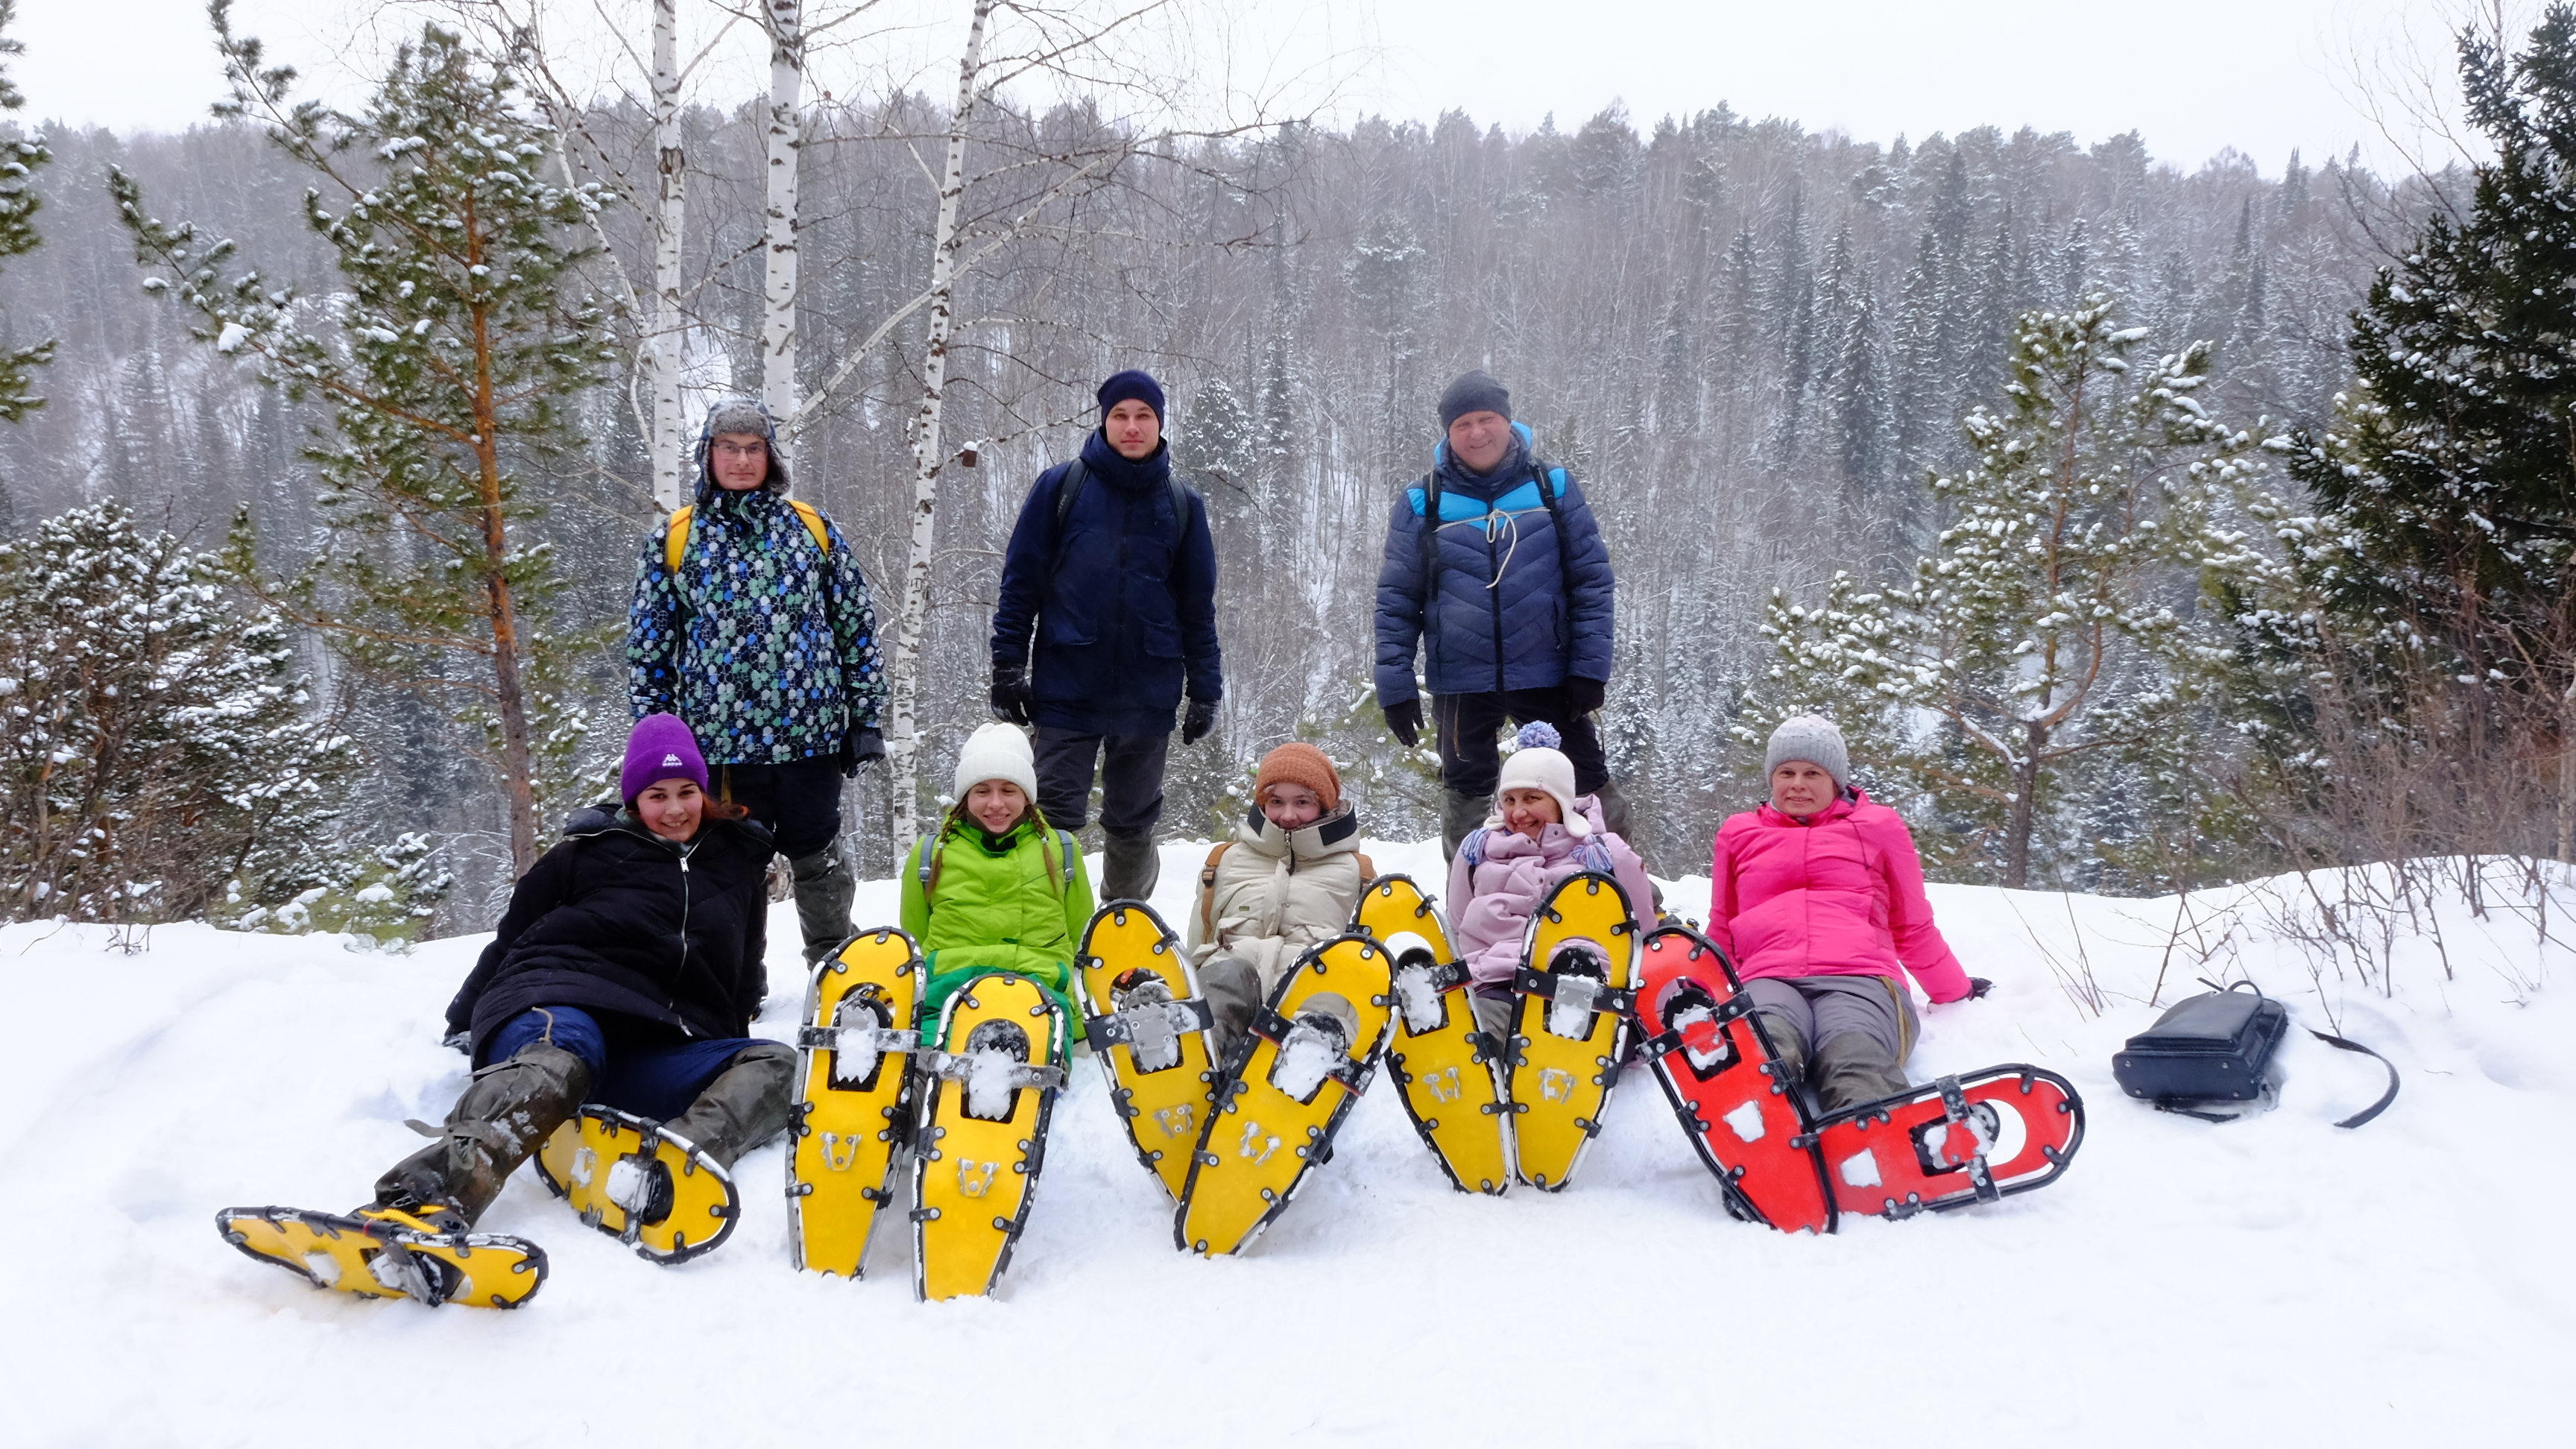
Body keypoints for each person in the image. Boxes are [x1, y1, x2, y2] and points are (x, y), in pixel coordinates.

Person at [373, 714, 794, 1239]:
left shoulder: (736, 863)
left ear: (703, 791)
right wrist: (463, 1018)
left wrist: (733, 1043)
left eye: (686, 791)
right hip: (563, 997)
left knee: (779, 1065)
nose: (674, 808)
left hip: (658, 1042)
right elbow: (510, 939)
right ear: (634, 801)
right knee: (562, 1054)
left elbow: (744, 963)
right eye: (657, 795)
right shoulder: (585, 853)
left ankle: (663, 1174)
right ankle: (427, 1201)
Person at [628, 397, 886, 963]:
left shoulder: (811, 530)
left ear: (770, 456)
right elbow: (649, 648)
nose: (742, 460)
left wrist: (865, 717)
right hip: (720, 746)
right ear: (708, 455)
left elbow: (856, 627)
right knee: (730, 863)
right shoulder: (675, 539)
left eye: (754, 448)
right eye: (729, 448)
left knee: (818, 857)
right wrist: (655, 740)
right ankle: (733, 978)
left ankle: (834, 968)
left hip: (811, 738)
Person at [1374, 370, 1628, 862]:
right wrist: (1395, 684)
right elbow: (1397, 598)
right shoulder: (1422, 500)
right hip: (1460, 680)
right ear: (1447, 433)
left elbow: (1591, 582)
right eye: (1462, 423)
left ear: (1508, 422)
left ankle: (1622, 886)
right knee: (1467, 797)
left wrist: (1588, 669)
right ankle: (1473, 895)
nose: (1476, 433)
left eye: (1486, 419)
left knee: (1587, 783)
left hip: (1549, 671)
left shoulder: (1551, 487)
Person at [989, 369, 1222, 901]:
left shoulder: (1183, 505)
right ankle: (1048, 927)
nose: (1132, 426)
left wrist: (1205, 688)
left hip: (1149, 691)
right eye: (1121, 415)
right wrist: (1007, 666)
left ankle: (1126, 926)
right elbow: (1020, 585)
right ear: (1104, 419)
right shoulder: (1060, 489)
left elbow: (1196, 607)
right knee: (1051, 820)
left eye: (1144, 416)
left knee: (1132, 823)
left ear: (1160, 423)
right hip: (1067, 687)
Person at [1708, 716, 1990, 1117]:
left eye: (1812, 772)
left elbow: (1911, 925)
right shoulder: (1739, 833)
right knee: (1762, 1048)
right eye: (1786, 772)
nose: (1797, 783)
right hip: (1769, 976)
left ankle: (1875, 1152)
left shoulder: (1878, 827)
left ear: (1837, 780)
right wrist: (1698, 994)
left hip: (1859, 978)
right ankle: (1750, 1147)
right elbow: (1723, 925)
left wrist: (1954, 991)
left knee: (1854, 1056)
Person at [1446, 723, 1655, 1043]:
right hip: (1497, 979)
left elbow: (1641, 930)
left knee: (1593, 1034)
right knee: (1481, 1032)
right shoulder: (1479, 853)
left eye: (1532, 798)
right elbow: (1459, 926)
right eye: (1509, 800)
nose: (1518, 812)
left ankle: (1577, 1048)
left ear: (1561, 801)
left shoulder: (1601, 854)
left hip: (1577, 980)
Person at [900, 722, 1096, 1037]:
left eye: (1008, 790)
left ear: (1027, 796)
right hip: (945, 1010)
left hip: (1040, 1006)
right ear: (966, 796)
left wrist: (1079, 1023)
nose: (995, 804)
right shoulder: (930, 855)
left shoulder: (1062, 851)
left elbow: (1082, 941)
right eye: (982, 791)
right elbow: (915, 942)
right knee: (930, 1079)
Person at [1186, 742, 1374, 1058]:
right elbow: (1198, 942)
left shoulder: (1356, 873)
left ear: (1325, 805)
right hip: (1228, 997)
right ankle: (1189, 1052)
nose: (1288, 815)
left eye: (1302, 802)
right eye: (1276, 801)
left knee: (1315, 1023)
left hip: (1315, 997)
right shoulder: (1225, 860)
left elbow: (1369, 964)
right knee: (1223, 980)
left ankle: (1306, 1063)